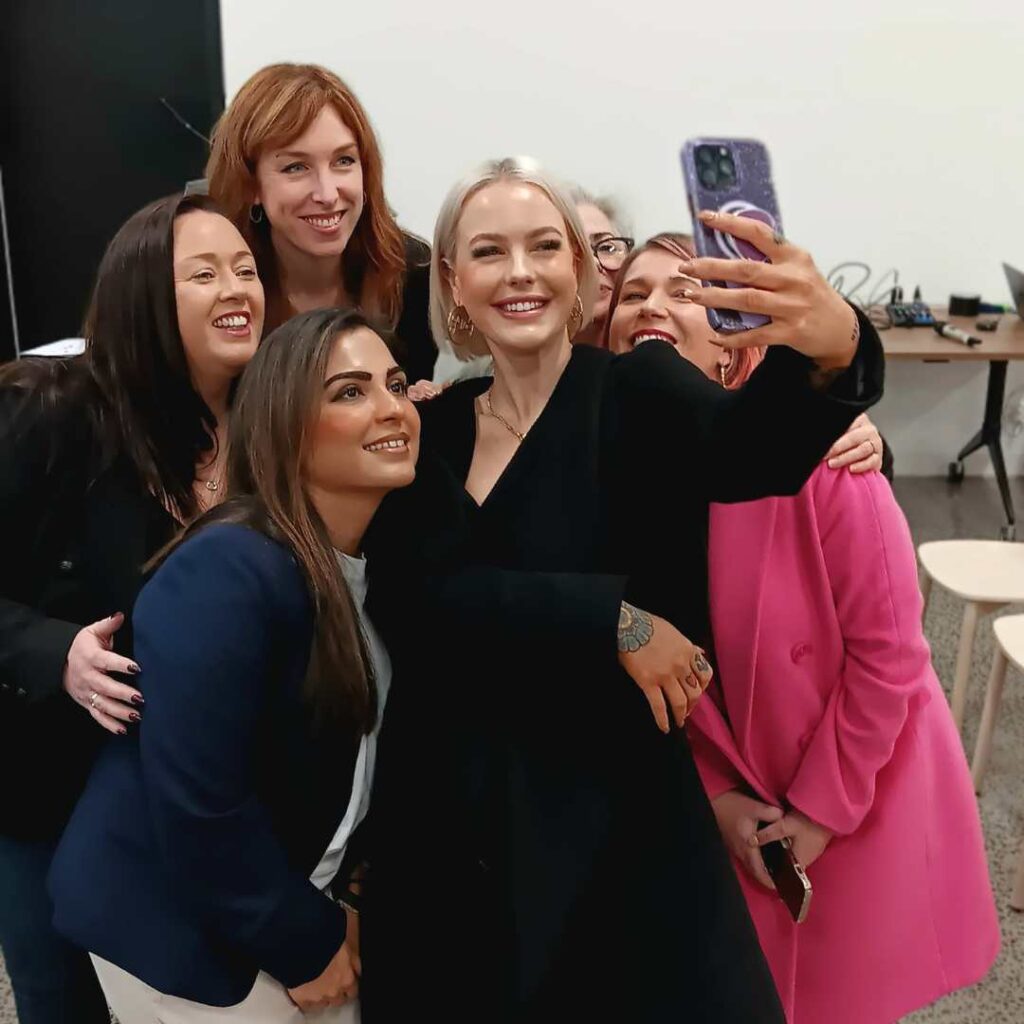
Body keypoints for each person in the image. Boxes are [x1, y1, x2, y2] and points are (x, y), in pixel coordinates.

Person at [358, 155, 886, 1023]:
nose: (520, 272)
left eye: (542, 247)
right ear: (453, 281)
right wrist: (610, 620)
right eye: (488, 252)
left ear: (582, 268)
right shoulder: (432, 427)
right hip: (457, 821)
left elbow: (754, 450)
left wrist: (834, 343)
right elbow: (415, 603)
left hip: (614, 822)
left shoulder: (638, 390)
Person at [606, 232, 1000, 1023]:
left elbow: (890, 654)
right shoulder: (605, 474)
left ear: (736, 339)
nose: (653, 305)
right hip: (728, 815)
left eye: (683, 290)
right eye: (634, 294)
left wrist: (822, 808)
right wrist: (714, 794)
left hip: (852, 789)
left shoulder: (817, 457)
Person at [49, 309, 419, 1021]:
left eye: (396, 384)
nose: (391, 407)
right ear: (284, 423)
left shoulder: (356, 567)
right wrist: (302, 942)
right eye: (349, 391)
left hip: (278, 905)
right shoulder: (232, 565)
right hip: (184, 934)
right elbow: (198, 802)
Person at [0, 192, 263, 1024]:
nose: (237, 289)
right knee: (62, 1000)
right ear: (145, 292)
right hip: (49, 791)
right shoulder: (53, 408)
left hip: (199, 802)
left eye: (247, 270)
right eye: (205, 273)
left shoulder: (272, 426)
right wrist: (57, 654)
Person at [206, 62, 436, 382]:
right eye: (296, 168)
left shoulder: (412, 271)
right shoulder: (222, 292)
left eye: (343, 161)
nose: (327, 194)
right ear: (251, 184)